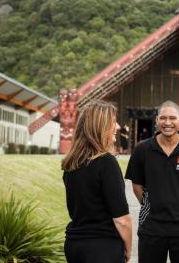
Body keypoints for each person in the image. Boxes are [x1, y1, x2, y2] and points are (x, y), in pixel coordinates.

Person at [125, 100, 179, 263]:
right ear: (156, 121)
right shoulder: (142, 149)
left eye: (172, 118)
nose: (167, 123)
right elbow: (137, 185)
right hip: (151, 229)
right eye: (163, 118)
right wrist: (151, 205)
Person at [62, 101, 132, 263]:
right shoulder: (106, 162)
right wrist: (128, 248)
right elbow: (122, 219)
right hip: (102, 248)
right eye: (113, 122)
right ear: (100, 126)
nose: (118, 127)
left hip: (74, 246)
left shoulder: (71, 164)